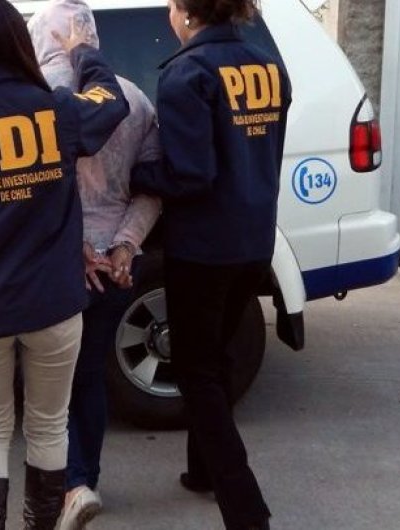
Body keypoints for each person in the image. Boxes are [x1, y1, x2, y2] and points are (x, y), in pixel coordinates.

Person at [0, 0, 129, 527]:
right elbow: (112, 102)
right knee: (48, 426)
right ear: (21, 45)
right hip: (53, 301)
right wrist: (84, 53)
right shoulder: (58, 111)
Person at [131, 1, 292, 529]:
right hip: (255, 241)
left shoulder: (187, 74)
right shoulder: (267, 65)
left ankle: (246, 511)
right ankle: (201, 471)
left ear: (186, 13)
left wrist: (134, 174)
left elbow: (189, 175)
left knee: (196, 372)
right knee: (215, 357)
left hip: (204, 249)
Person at [26, 2, 162, 528]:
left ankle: (73, 483)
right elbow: (151, 188)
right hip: (117, 268)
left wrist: (77, 245)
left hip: (57, 261)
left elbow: (32, 196)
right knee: (89, 375)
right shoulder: (132, 97)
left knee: (49, 380)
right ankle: (85, 480)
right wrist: (124, 247)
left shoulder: (35, 101)